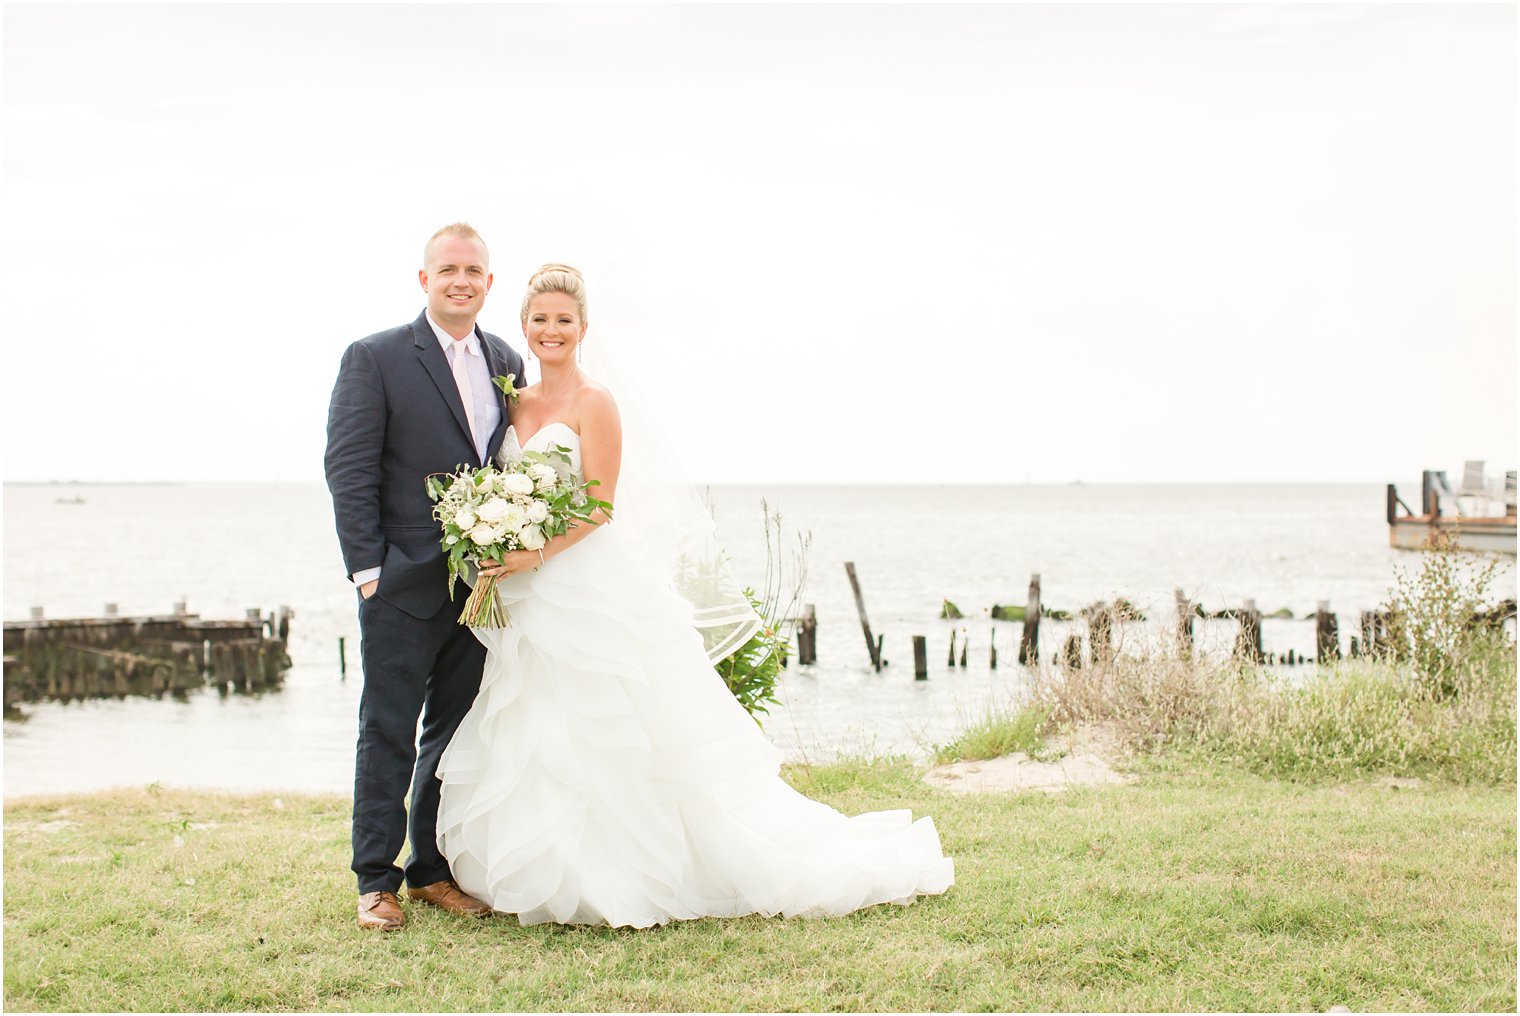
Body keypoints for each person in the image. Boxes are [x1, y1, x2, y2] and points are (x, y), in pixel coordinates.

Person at [435, 264, 953, 928]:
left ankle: (628, 875)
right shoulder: (516, 403)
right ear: (524, 328)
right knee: (538, 725)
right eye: (540, 319)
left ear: (584, 328)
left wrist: (528, 550)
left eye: (564, 320)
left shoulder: (596, 403)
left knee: (608, 725)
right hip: (526, 597)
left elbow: (597, 509)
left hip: (583, 586)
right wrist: (494, 536)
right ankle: (548, 870)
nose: (551, 330)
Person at [324, 223, 527, 931]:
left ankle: (430, 871)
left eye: (474, 269)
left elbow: (512, 469)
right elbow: (348, 469)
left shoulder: (505, 358)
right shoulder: (376, 357)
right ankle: (373, 880)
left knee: (453, 733)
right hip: (401, 584)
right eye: (448, 269)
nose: (461, 280)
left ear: (489, 282)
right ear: (424, 279)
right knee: (387, 731)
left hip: (481, 586)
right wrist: (368, 571)